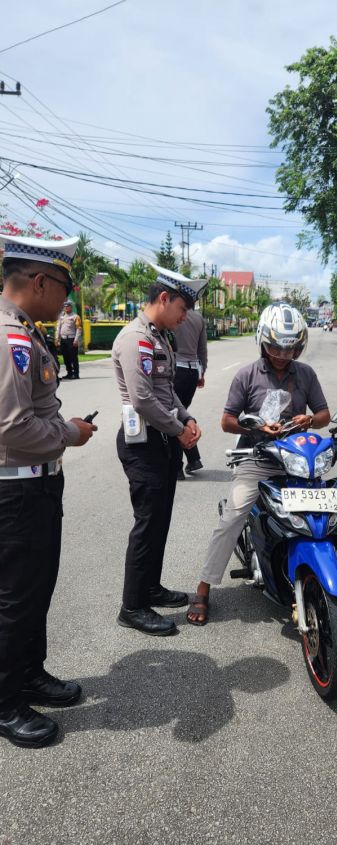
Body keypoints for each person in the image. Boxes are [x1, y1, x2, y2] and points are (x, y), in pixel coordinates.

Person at [187, 302, 337, 625]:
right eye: (276, 347)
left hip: (300, 462)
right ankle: (203, 588)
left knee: (326, 515)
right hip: (257, 459)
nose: (283, 354)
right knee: (233, 515)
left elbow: (323, 414)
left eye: (290, 348)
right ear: (263, 343)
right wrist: (254, 427)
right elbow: (227, 421)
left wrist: (309, 419)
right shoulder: (247, 375)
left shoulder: (306, 374)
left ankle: (336, 587)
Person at [0, 233, 97, 749]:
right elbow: (12, 428)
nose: (68, 296)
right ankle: (7, 701)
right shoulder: (10, 338)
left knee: (35, 590)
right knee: (15, 598)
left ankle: (29, 675)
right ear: (39, 281)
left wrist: (63, 430)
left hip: (36, 486)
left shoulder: (27, 332)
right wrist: (70, 435)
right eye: (64, 285)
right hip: (15, 492)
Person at [112, 265, 207, 636]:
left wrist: (188, 417)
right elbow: (142, 399)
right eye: (183, 308)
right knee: (147, 524)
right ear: (164, 299)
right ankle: (132, 606)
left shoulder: (160, 337)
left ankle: (150, 587)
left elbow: (167, 393)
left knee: (161, 520)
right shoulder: (136, 339)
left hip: (162, 439)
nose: (186, 317)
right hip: (144, 442)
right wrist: (179, 429)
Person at [174, 307, 208, 479]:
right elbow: (202, 350)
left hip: (175, 369)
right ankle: (193, 458)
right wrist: (202, 373)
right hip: (192, 371)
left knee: (174, 415)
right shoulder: (198, 318)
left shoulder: (172, 313)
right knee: (181, 413)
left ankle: (177, 466)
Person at [56, 299, 81, 379]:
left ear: (71, 307)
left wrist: (76, 339)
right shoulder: (61, 317)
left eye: (67, 306)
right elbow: (58, 328)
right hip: (63, 340)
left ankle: (76, 374)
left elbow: (79, 328)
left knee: (73, 357)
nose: (66, 308)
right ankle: (69, 373)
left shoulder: (75, 316)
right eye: (64, 306)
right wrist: (57, 339)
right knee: (66, 357)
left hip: (72, 339)